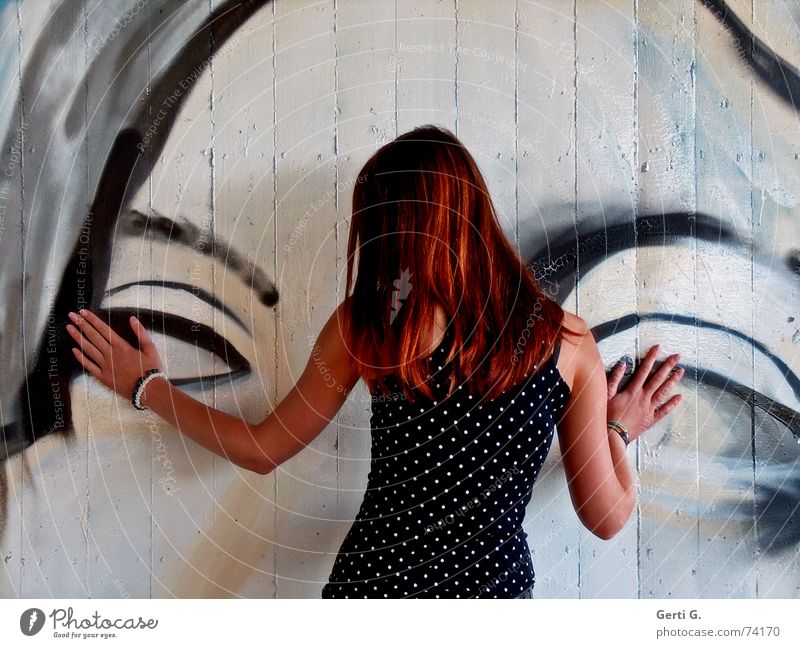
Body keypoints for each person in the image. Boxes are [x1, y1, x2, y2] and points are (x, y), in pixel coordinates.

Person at [64, 124, 684, 598]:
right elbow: (607, 517)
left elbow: (262, 449)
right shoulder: (564, 343)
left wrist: (146, 385)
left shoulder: (367, 330)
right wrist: (616, 429)